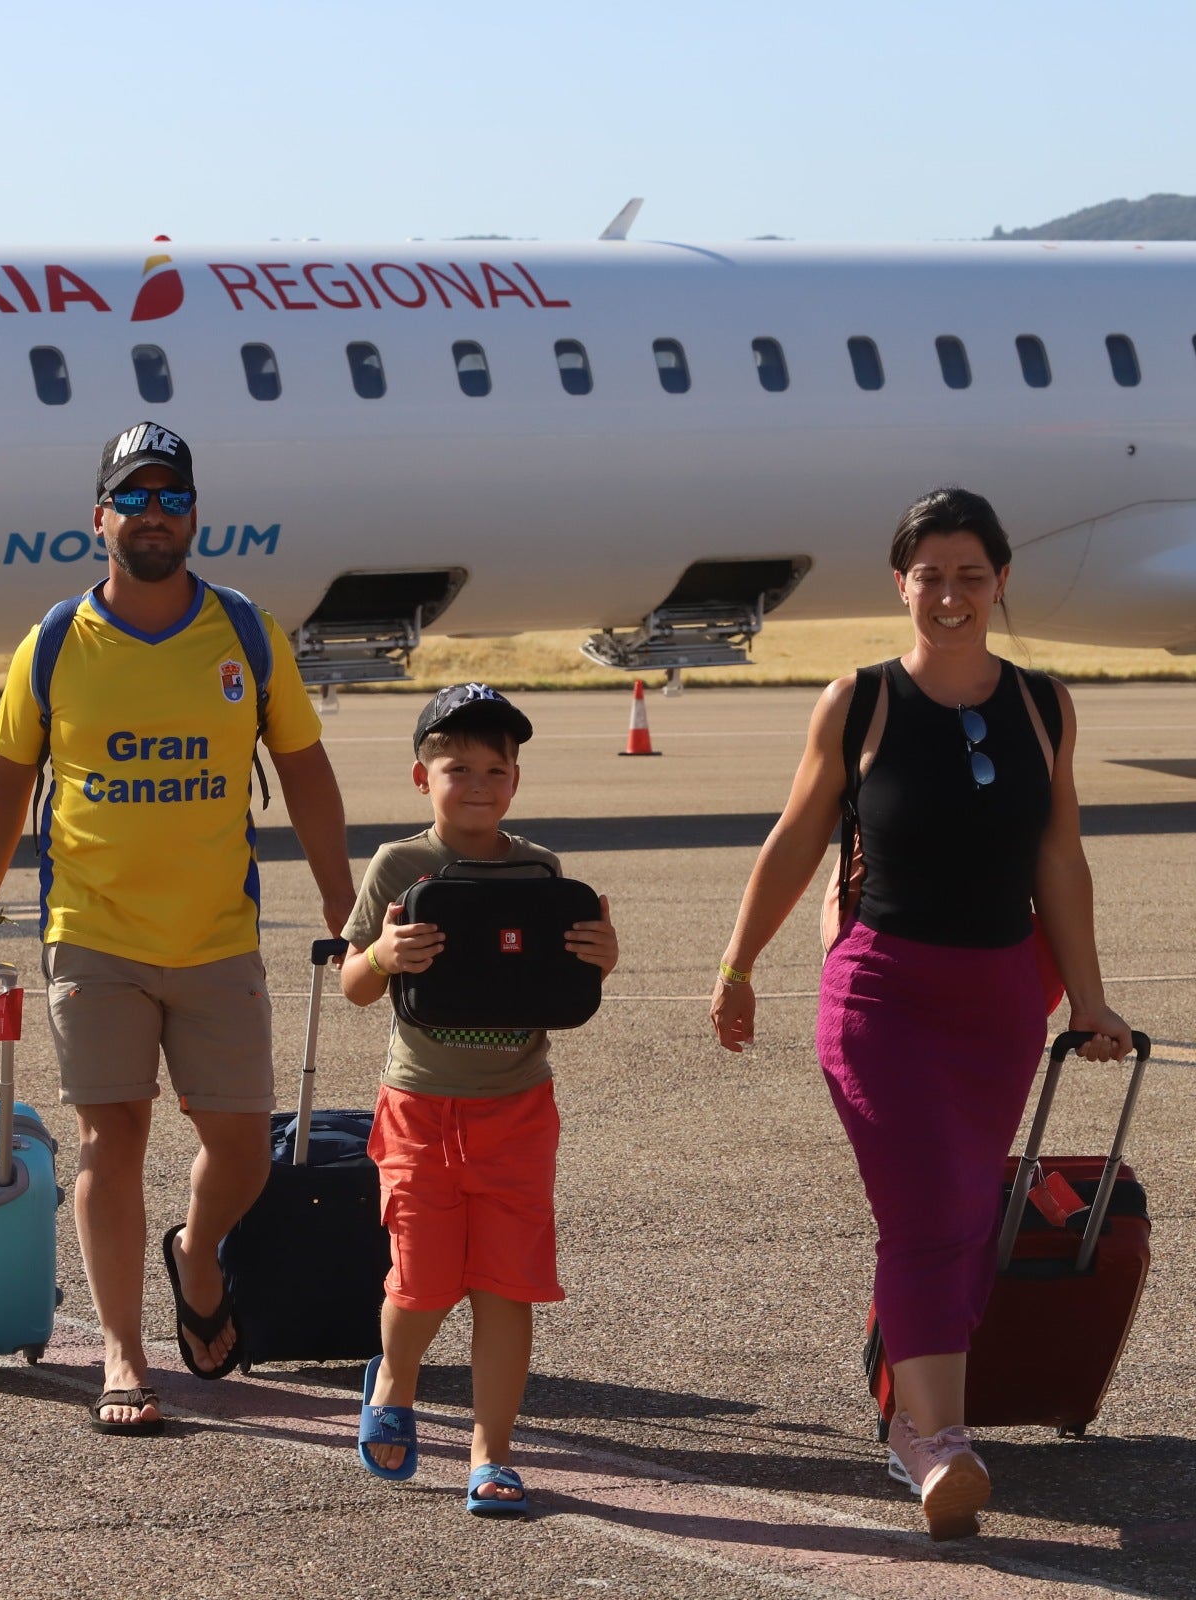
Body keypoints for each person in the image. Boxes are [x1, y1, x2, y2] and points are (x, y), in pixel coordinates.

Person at [708, 488, 1133, 1541]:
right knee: (928, 1210)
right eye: (930, 574)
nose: (950, 595)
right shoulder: (859, 701)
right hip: (881, 994)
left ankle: (915, 1391)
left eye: (970, 574)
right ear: (901, 583)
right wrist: (737, 963)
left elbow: (1059, 860)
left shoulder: (1045, 704)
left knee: (962, 1213)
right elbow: (796, 839)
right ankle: (934, 1442)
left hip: (997, 997)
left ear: (1000, 583)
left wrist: (1087, 996)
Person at [0, 421, 355, 1437]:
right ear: (100, 519)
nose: (154, 514)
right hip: (93, 932)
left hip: (216, 935)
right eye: (134, 497)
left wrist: (347, 901)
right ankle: (126, 1354)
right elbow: (5, 783)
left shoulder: (246, 635)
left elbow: (302, 766)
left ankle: (199, 1253)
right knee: (107, 1133)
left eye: (172, 497)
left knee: (244, 1148)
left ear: (196, 516)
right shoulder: (54, 644)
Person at [339, 684, 618, 1517]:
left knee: (508, 1285)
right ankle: (394, 1378)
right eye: (457, 767)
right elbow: (354, 985)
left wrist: (600, 958)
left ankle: (492, 1455)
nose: (478, 784)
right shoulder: (397, 865)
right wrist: (384, 953)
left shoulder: (541, 870)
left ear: (516, 781)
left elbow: (559, 988)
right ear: (421, 776)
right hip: (420, 1107)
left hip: (518, 1110)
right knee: (421, 1280)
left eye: (496, 769)